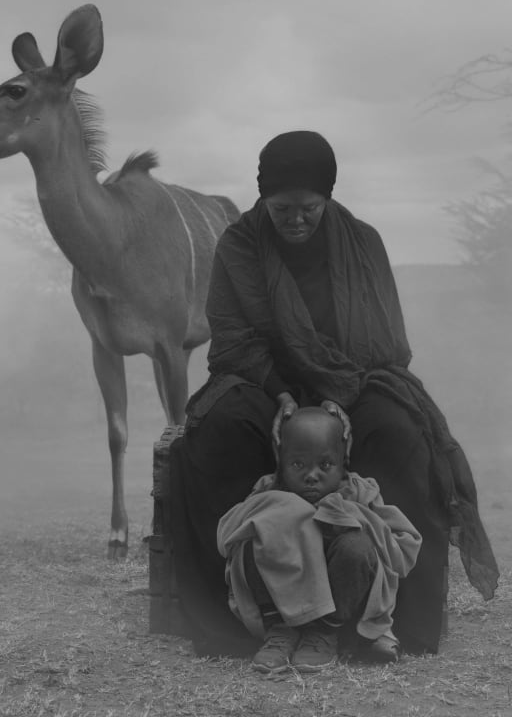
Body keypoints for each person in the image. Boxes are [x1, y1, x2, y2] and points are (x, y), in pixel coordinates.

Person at [170, 129, 499, 658]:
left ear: (328, 197)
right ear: (263, 199)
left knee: (397, 430)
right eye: (282, 209)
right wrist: (281, 395)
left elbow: (385, 343)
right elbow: (232, 338)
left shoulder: (364, 243)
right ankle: (235, 619)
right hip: (263, 378)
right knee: (223, 428)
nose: (296, 220)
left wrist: (338, 403)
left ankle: (383, 622)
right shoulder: (239, 244)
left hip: (355, 378)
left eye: (309, 209)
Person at [217, 407, 422, 673]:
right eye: (298, 465)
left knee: (357, 547)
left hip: (337, 600)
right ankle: (280, 631)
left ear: (343, 461)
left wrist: (348, 516)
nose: (311, 475)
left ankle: (324, 633)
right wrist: (286, 512)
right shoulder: (270, 490)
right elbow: (228, 534)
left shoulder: (357, 491)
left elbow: (401, 542)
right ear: (280, 460)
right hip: (280, 597)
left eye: (325, 465)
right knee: (251, 540)